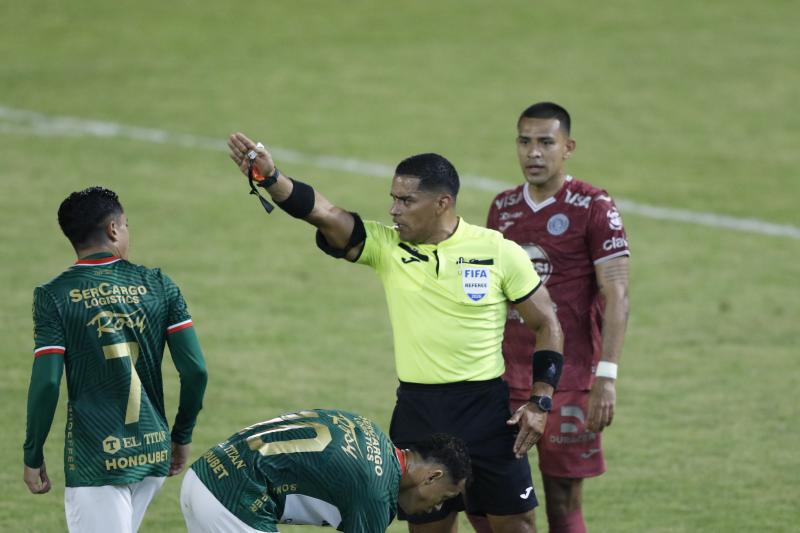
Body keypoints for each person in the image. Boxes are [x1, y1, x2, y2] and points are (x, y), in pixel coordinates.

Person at [226, 134, 565, 533]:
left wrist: (541, 401)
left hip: (486, 412)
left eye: (406, 201)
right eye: (394, 199)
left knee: (518, 526)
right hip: (418, 413)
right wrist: (271, 179)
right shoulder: (387, 246)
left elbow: (547, 323)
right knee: (429, 528)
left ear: (442, 203)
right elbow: (323, 212)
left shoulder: (498, 251)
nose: (393, 210)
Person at [23, 186, 209, 532]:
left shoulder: (54, 296)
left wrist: (32, 454)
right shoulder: (159, 284)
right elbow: (196, 371)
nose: (127, 232)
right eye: (126, 226)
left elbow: (47, 382)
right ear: (112, 229)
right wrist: (181, 436)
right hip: (152, 452)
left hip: (97, 460)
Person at [483, 102, 631, 533]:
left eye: (546, 142)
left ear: (568, 147)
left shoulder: (594, 205)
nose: (533, 152)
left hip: (571, 378)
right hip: (504, 378)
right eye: (524, 141)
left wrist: (606, 377)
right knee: (489, 495)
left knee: (563, 498)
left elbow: (617, 292)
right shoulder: (502, 207)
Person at [180, 408, 471, 532]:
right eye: (444, 497)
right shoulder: (376, 495)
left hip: (203, 473)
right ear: (432, 476)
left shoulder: (369, 428)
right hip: (232, 502)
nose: (437, 508)